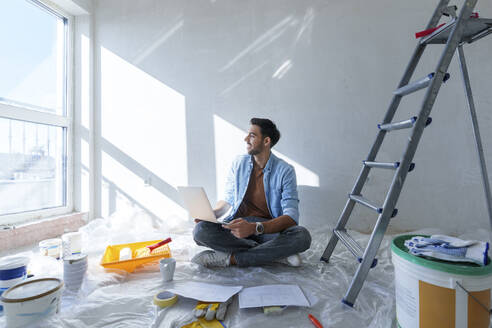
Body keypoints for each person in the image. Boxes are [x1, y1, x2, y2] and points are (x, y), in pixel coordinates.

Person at [191, 118, 311, 268]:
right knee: (200, 230)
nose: (246, 139)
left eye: (252, 136)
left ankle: (230, 259)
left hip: (267, 229)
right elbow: (228, 200)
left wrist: (255, 227)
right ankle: (276, 255)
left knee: (302, 236)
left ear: (266, 141)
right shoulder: (238, 163)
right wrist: (211, 214)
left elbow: (291, 217)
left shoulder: (285, 171)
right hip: (237, 227)